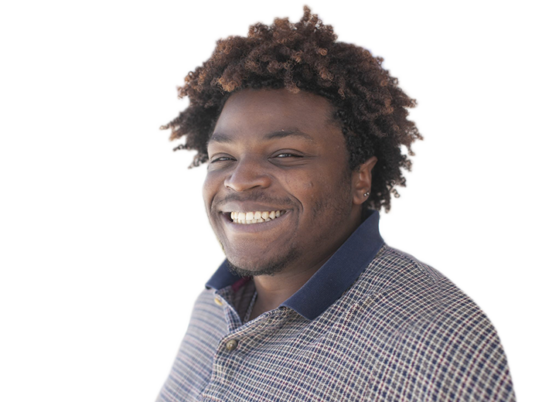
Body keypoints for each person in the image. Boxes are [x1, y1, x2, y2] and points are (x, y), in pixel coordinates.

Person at [154, 3, 518, 401]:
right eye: (223, 157)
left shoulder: (450, 348)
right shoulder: (214, 301)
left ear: (361, 178)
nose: (239, 181)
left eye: (286, 154)